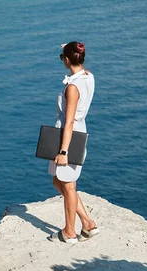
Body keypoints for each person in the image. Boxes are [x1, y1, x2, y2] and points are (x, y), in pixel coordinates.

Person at [48, 41, 99, 244]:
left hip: (68, 137)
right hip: (79, 131)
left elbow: (69, 122)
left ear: (67, 60)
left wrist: (63, 151)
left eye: (62, 57)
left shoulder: (72, 88)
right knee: (58, 181)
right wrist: (67, 47)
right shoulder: (88, 76)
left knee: (68, 185)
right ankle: (87, 223)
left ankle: (69, 232)